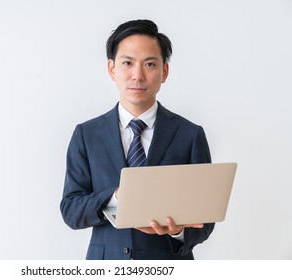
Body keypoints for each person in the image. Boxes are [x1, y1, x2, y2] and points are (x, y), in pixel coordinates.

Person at [60, 19, 214, 260]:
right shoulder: (86, 134)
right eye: (127, 63)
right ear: (112, 69)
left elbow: (205, 219)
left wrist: (179, 231)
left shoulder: (190, 134)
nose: (138, 75)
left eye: (150, 64)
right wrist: (117, 197)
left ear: (164, 71)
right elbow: (71, 210)